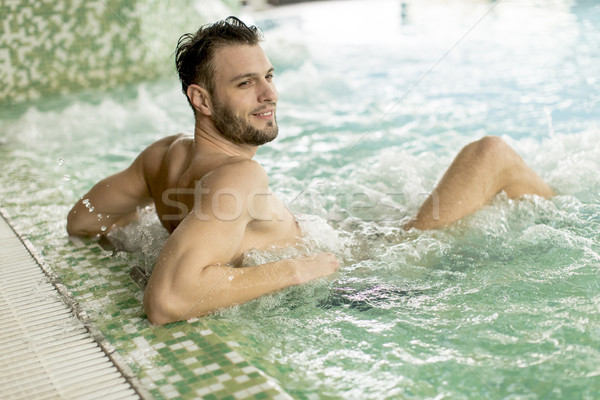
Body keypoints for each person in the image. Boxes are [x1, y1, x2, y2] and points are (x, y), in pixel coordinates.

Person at [66, 17, 553, 325]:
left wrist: (144, 244)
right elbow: (168, 301)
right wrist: (305, 268)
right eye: (245, 83)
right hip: (375, 265)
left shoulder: (162, 158)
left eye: (269, 76)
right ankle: (565, 213)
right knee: (490, 153)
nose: (270, 94)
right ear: (202, 99)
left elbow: (84, 219)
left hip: (334, 237)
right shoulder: (238, 177)